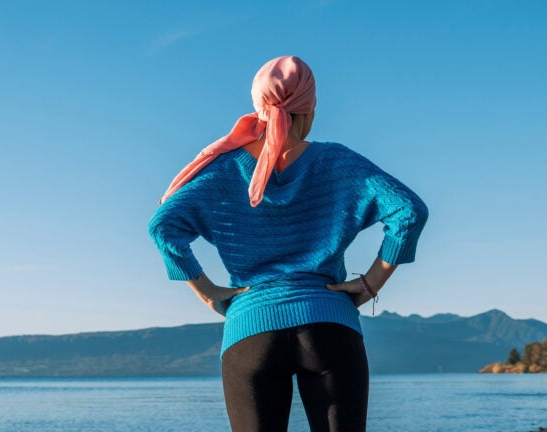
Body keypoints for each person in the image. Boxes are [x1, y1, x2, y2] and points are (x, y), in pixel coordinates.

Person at [147, 56, 428, 432]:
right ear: (309, 109)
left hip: (251, 330)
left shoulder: (222, 169)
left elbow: (162, 226)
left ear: (258, 106)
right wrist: (370, 283)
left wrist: (208, 292)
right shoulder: (337, 162)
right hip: (330, 326)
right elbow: (410, 211)